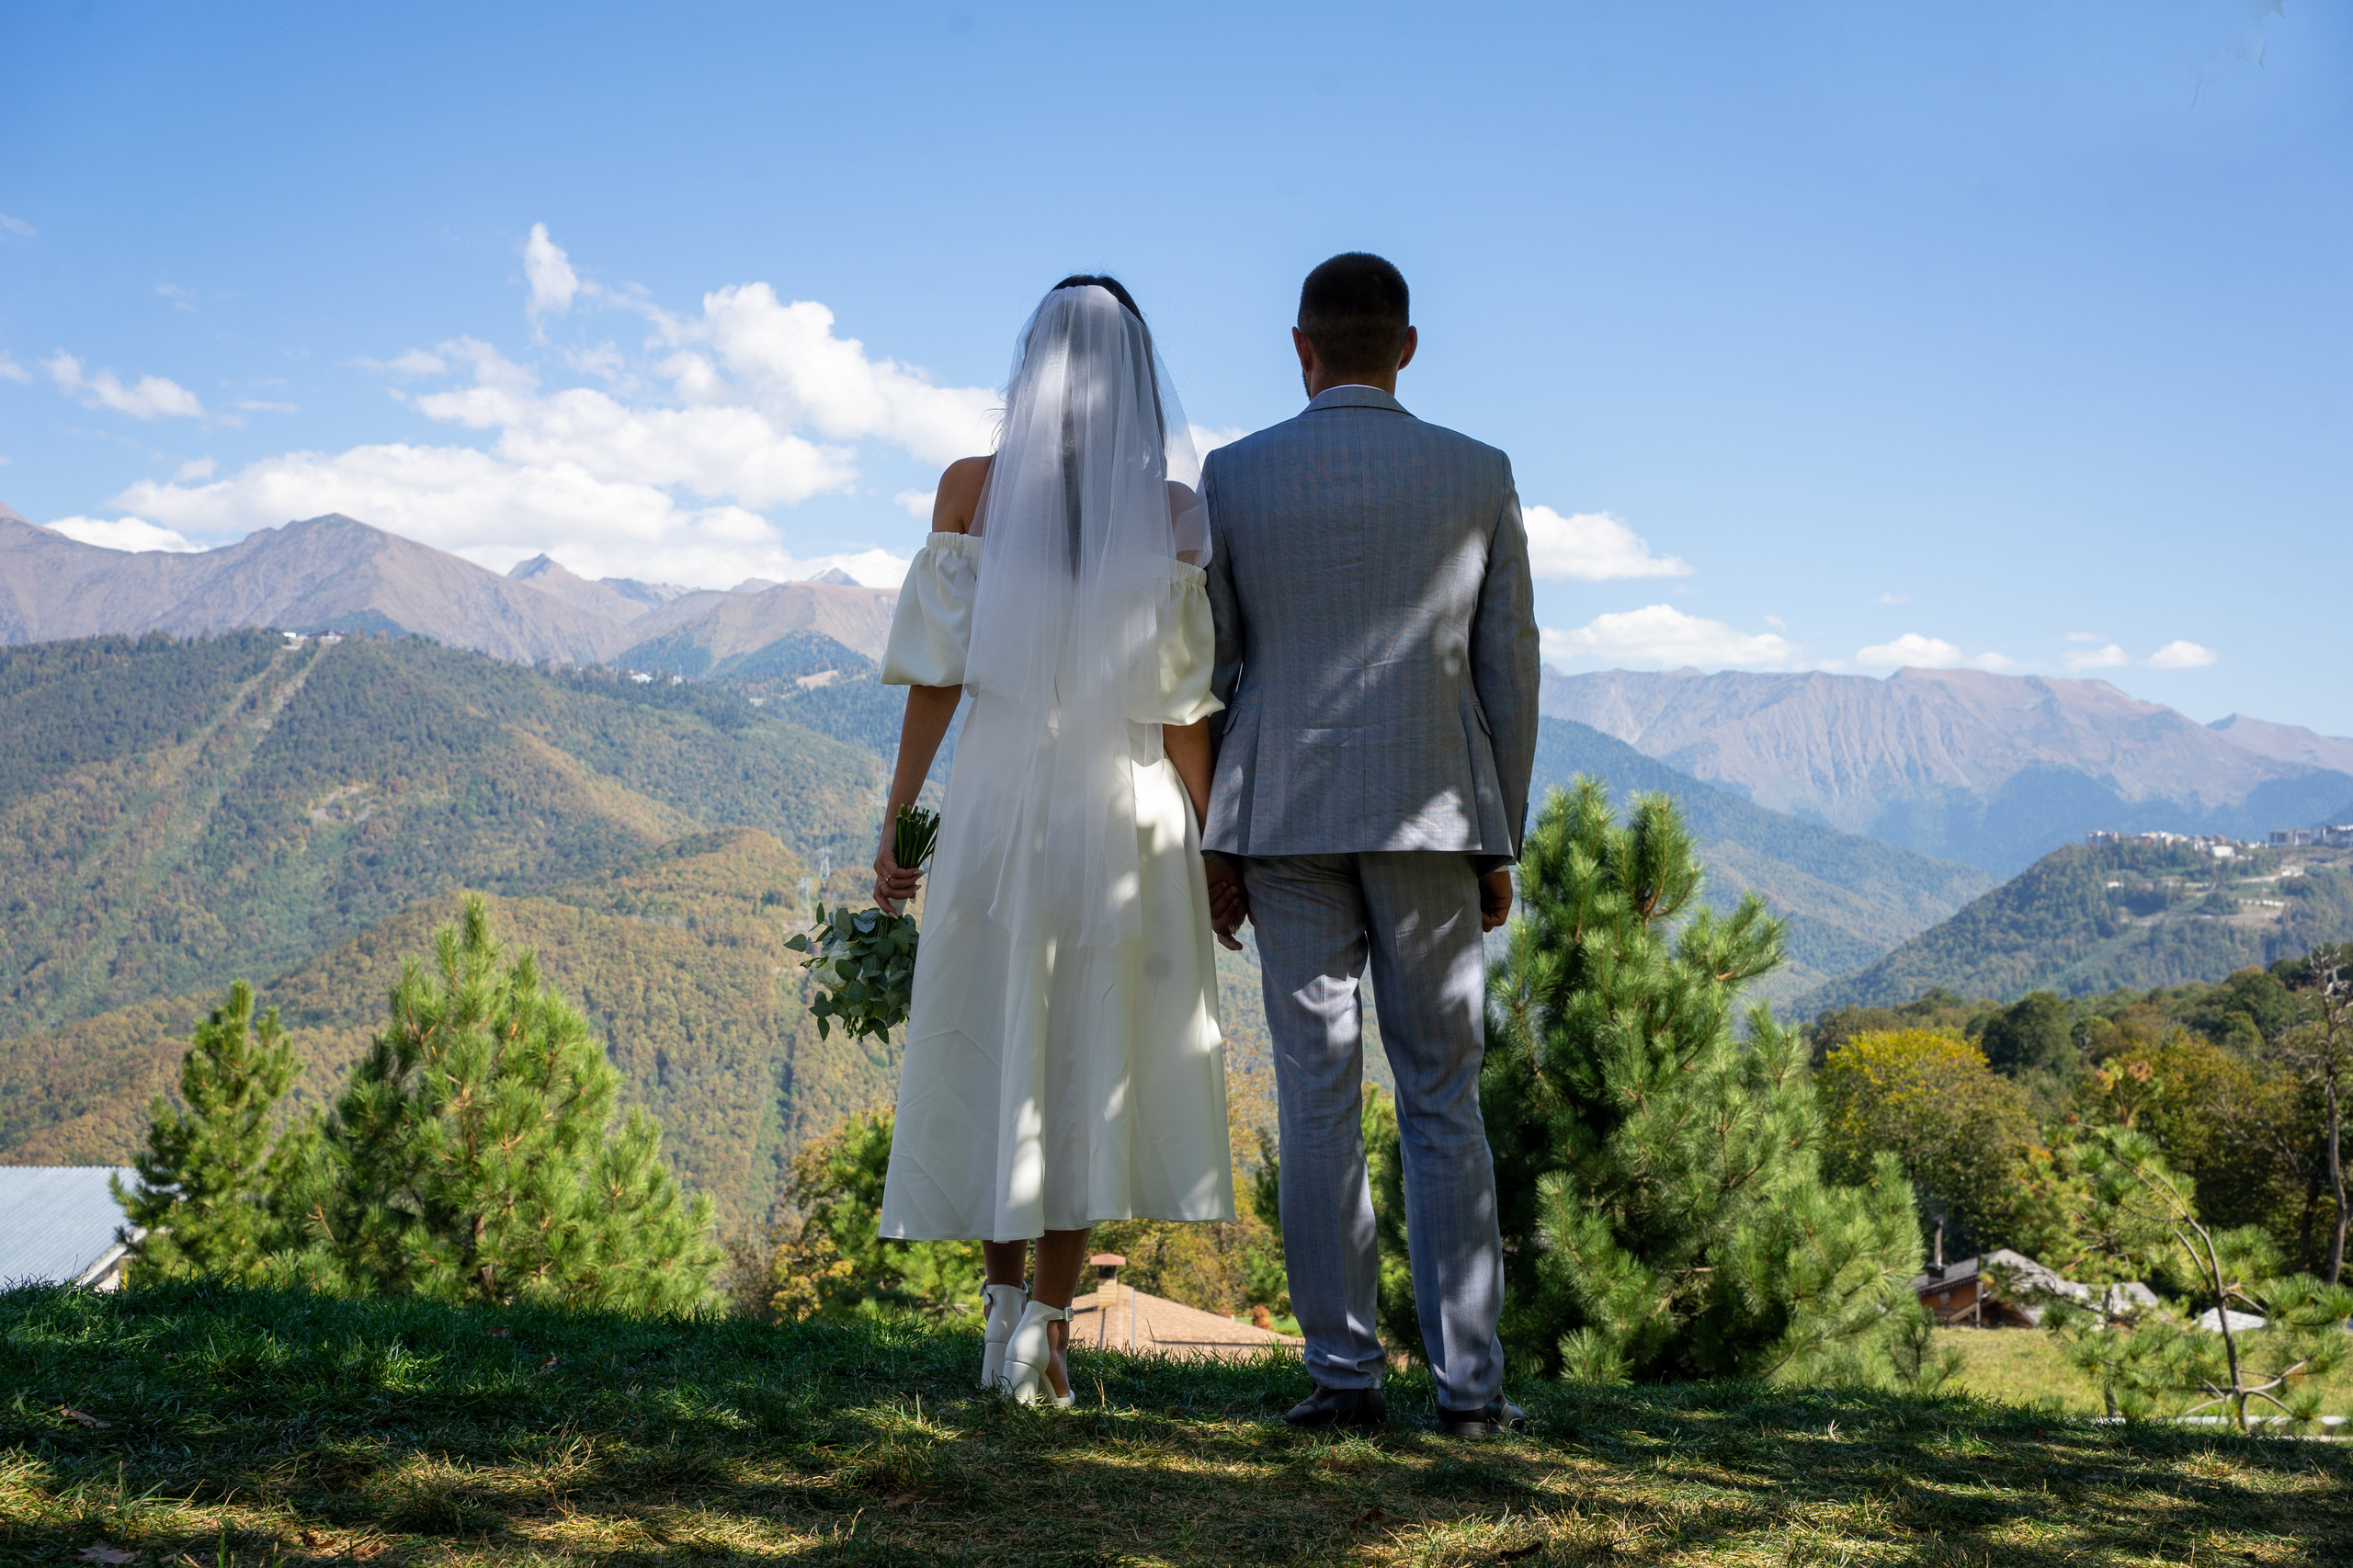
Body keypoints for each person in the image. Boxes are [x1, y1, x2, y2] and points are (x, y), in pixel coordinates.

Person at [870, 276, 1234, 1407]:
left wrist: (900, 822)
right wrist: (1217, 847)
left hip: (997, 796)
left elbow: (934, 678)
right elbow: (1181, 711)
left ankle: (996, 1314)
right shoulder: (1172, 514)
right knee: (1087, 1056)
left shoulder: (968, 491)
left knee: (996, 1035)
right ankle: (1047, 1330)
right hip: (1119, 804)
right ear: (1136, 379)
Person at [1199, 253, 1540, 1437]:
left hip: (1283, 815)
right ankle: (1471, 1391)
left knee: (1315, 1100)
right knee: (1445, 1097)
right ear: (1406, 345)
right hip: (1434, 815)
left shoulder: (1233, 479)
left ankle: (1343, 1376)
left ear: (1300, 346)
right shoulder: (1478, 474)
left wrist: (1215, 839)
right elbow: (1507, 669)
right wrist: (1502, 833)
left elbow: (1214, 668)